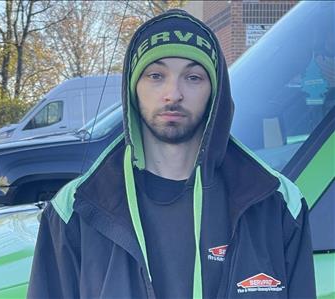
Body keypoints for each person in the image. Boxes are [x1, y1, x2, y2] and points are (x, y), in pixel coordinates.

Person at [28, 9, 316, 299]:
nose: (173, 93)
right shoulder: (74, 211)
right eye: (156, 75)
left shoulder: (276, 204)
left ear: (214, 92)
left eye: (193, 77)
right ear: (133, 88)